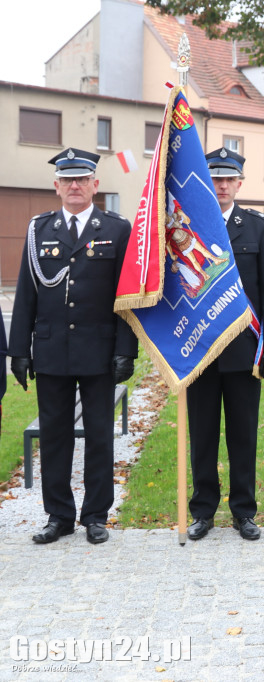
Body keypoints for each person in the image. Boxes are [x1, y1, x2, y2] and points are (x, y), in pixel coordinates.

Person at [9, 148, 137, 545]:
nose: (75, 186)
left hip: (99, 351)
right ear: (57, 186)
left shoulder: (117, 229)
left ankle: (95, 515)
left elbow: (127, 298)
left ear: (96, 185)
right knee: (55, 436)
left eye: (82, 179)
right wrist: (19, 350)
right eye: (68, 180)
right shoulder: (38, 230)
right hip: (50, 351)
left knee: (99, 435)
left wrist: (125, 350)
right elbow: (26, 295)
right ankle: (58, 515)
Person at [185, 148, 264, 542]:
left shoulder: (257, 227)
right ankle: (203, 511)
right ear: (207, 181)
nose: (222, 185)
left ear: (240, 183)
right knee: (203, 435)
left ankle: (244, 512)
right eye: (215, 178)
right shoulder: (189, 227)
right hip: (201, 351)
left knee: (243, 435)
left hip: (244, 351)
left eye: (229, 179)